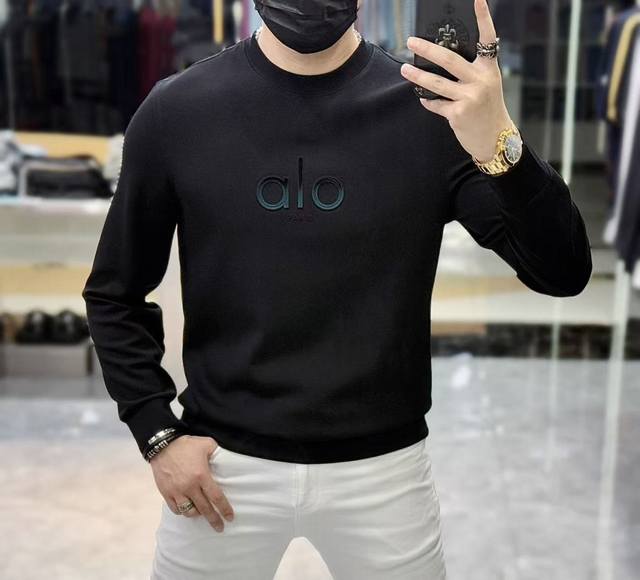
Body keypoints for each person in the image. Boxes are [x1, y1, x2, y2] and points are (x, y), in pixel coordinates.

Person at [81, 0, 593, 578]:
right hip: (222, 467)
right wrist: (156, 433)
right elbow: (115, 292)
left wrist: (499, 139)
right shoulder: (179, 111)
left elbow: (562, 271)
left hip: (384, 473)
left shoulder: (429, 113)